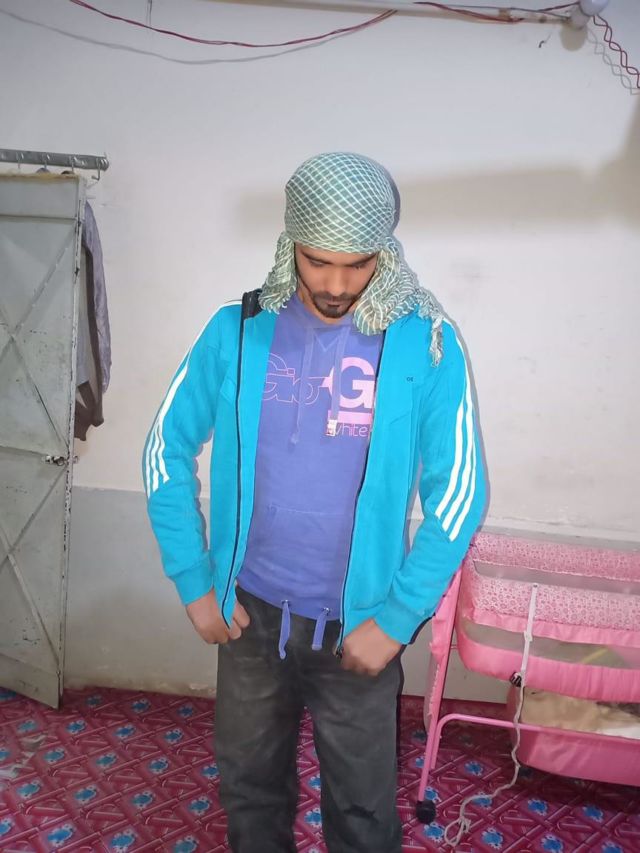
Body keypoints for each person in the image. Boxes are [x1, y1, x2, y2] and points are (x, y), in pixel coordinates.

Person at [143, 152, 486, 853]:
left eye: (357, 265)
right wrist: (196, 583)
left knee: (362, 811)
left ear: (384, 251)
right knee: (249, 788)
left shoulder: (425, 343)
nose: (335, 285)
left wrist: (396, 618)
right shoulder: (237, 331)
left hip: (359, 624)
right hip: (248, 616)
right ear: (288, 245)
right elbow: (163, 452)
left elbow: (459, 492)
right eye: (317, 261)